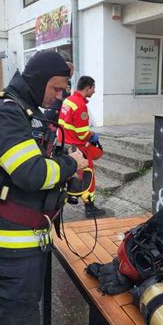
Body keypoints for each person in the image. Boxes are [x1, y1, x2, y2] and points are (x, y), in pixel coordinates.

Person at [0, 51, 88, 325]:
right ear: (39, 80)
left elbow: (36, 155)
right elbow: (31, 174)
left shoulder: (24, 110)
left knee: (25, 317)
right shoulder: (4, 112)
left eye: (64, 90)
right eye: (57, 88)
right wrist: (72, 163)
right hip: (11, 245)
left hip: (26, 239)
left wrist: (61, 162)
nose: (60, 96)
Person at [57, 75, 106, 218]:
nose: (95, 91)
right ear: (88, 88)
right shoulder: (80, 105)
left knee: (67, 175)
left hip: (64, 144)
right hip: (78, 147)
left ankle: (62, 203)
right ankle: (90, 207)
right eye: (94, 88)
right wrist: (93, 136)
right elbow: (82, 133)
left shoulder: (68, 100)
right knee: (88, 176)